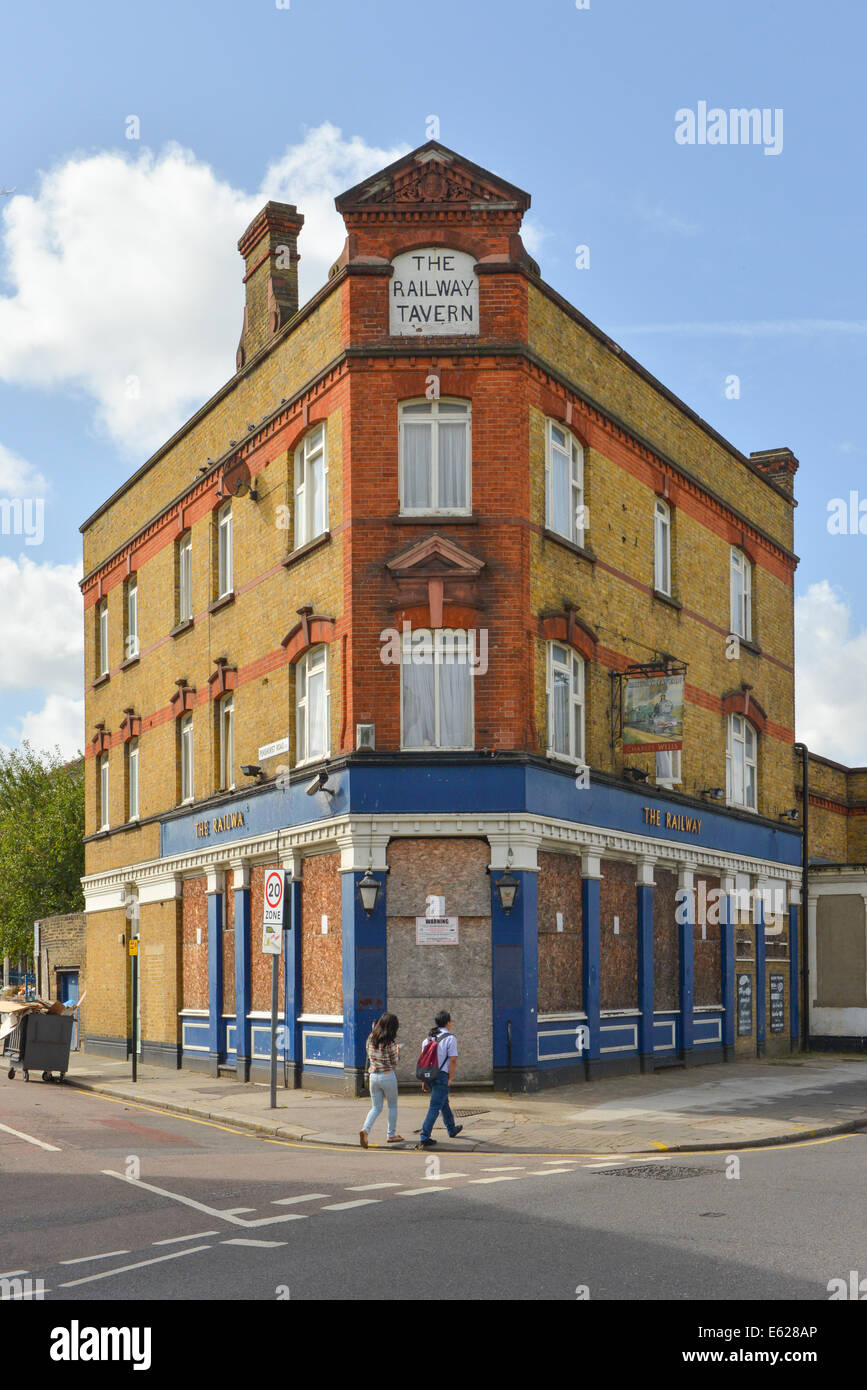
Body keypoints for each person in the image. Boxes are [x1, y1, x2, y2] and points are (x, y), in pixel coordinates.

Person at [418, 1010, 463, 1147]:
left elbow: (424, 1062)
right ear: (448, 1022)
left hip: (429, 1075)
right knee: (435, 1106)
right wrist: (450, 1078)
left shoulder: (427, 1039)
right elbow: (453, 1060)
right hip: (442, 1076)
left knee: (443, 1102)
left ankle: (451, 1128)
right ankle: (425, 1136)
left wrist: (424, 1081)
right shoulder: (450, 1038)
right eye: (450, 1021)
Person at [360, 1012, 404, 1146]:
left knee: (376, 1107)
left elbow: (369, 1054)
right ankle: (391, 1135)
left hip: (373, 1076)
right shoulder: (390, 1043)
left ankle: (365, 1130)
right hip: (387, 1075)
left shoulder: (370, 1038)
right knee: (392, 1106)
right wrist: (398, 1052)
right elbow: (394, 1062)